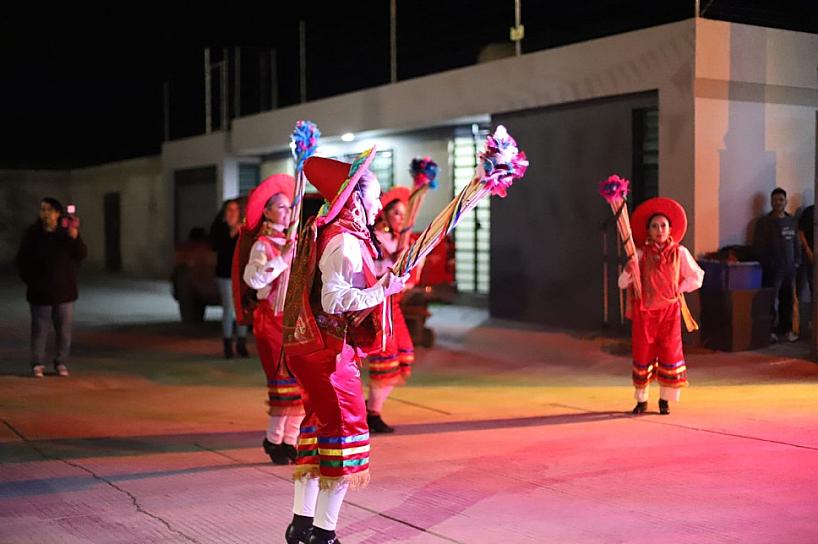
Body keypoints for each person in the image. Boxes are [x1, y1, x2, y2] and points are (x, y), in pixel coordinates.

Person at [282, 149, 408, 544]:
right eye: (374, 197)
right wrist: (383, 289)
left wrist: (382, 283)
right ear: (355, 198)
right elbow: (334, 300)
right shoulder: (344, 242)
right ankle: (325, 533)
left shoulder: (334, 232)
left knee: (316, 431)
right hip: (331, 353)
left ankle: (301, 525)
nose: (378, 205)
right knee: (343, 437)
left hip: (315, 351)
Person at [237, 175, 305, 466]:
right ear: (266, 211)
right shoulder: (262, 245)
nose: (287, 212)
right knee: (282, 386)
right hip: (272, 321)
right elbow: (251, 278)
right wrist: (282, 259)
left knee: (303, 385)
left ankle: (291, 440)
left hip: (296, 321)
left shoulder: (295, 240)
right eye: (280, 207)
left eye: (289, 207)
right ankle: (274, 438)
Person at [618, 197, 704, 415]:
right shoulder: (639, 254)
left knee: (670, 353)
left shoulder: (680, 252)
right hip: (645, 313)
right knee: (643, 353)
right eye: (654, 226)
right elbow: (621, 283)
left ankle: (664, 400)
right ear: (648, 230)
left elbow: (697, 276)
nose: (659, 230)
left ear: (671, 229)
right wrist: (629, 270)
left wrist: (680, 288)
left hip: (669, 313)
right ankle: (641, 400)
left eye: (663, 226)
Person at [366, 186, 423, 433]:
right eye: (396, 213)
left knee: (404, 355)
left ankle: (371, 409)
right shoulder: (377, 237)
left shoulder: (405, 240)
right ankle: (371, 413)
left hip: (394, 306)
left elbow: (412, 278)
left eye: (404, 214)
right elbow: (373, 272)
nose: (400, 218)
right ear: (385, 215)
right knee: (385, 361)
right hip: (378, 306)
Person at [16, 197, 88, 378]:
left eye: (49, 210)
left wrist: (75, 237)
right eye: (42, 209)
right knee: (40, 330)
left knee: (63, 331)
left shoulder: (65, 234)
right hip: (40, 292)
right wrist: (31, 280)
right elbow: (21, 261)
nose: (45, 213)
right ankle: (37, 363)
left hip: (64, 292)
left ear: (57, 213)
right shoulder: (32, 234)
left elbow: (80, 254)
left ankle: (61, 362)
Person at [753, 188, 801, 342]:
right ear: (771, 202)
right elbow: (759, 246)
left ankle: (785, 329)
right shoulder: (764, 223)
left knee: (787, 300)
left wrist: (797, 261)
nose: (778, 203)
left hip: (790, 269)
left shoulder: (791, 221)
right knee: (771, 301)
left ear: (785, 202)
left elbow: (796, 243)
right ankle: (770, 330)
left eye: (781, 200)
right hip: (773, 269)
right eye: (775, 200)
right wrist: (768, 263)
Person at [210, 199, 248, 358]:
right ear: (224, 213)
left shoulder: (245, 228)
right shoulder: (219, 228)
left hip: (242, 275)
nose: (232, 213)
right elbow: (216, 246)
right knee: (229, 310)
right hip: (225, 274)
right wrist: (232, 232)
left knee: (243, 309)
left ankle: (241, 343)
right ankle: (227, 344)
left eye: (235, 210)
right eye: (229, 210)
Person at [798, 204, 814, 301]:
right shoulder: (810, 211)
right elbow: (801, 232)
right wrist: (808, 250)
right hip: (812, 253)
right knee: (813, 283)